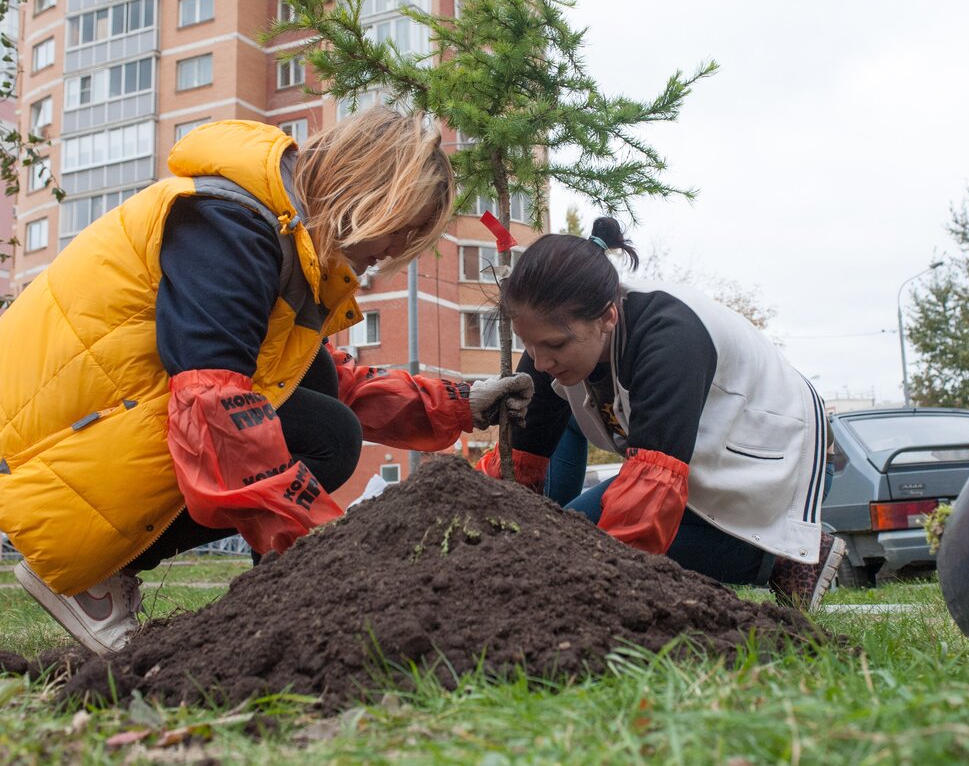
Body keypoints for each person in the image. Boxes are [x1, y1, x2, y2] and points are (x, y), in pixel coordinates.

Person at [0, 107, 531, 655]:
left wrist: (461, 405)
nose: (396, 249)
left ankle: (258, 592)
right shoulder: (232, 225)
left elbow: (322, 380)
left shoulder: (280, 234)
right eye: (406, 224)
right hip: (38, 456)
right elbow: (214, 404)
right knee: (328, 435)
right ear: (370, 191)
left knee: (319, 384)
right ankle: (94, 578)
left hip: (83, 433)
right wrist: (328, 556)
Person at [475, 217, 844, 610]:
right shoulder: (549, 342)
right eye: (529, 345)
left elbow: (650, 495)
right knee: (564, 535)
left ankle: (782, 556)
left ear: (607, 317)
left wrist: (599, 587)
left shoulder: (670, 337)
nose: (540, 359)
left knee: (587, 546)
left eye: (555, 346)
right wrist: (500, 542)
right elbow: (518, 463)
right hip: (690, 450)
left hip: (777, 457)